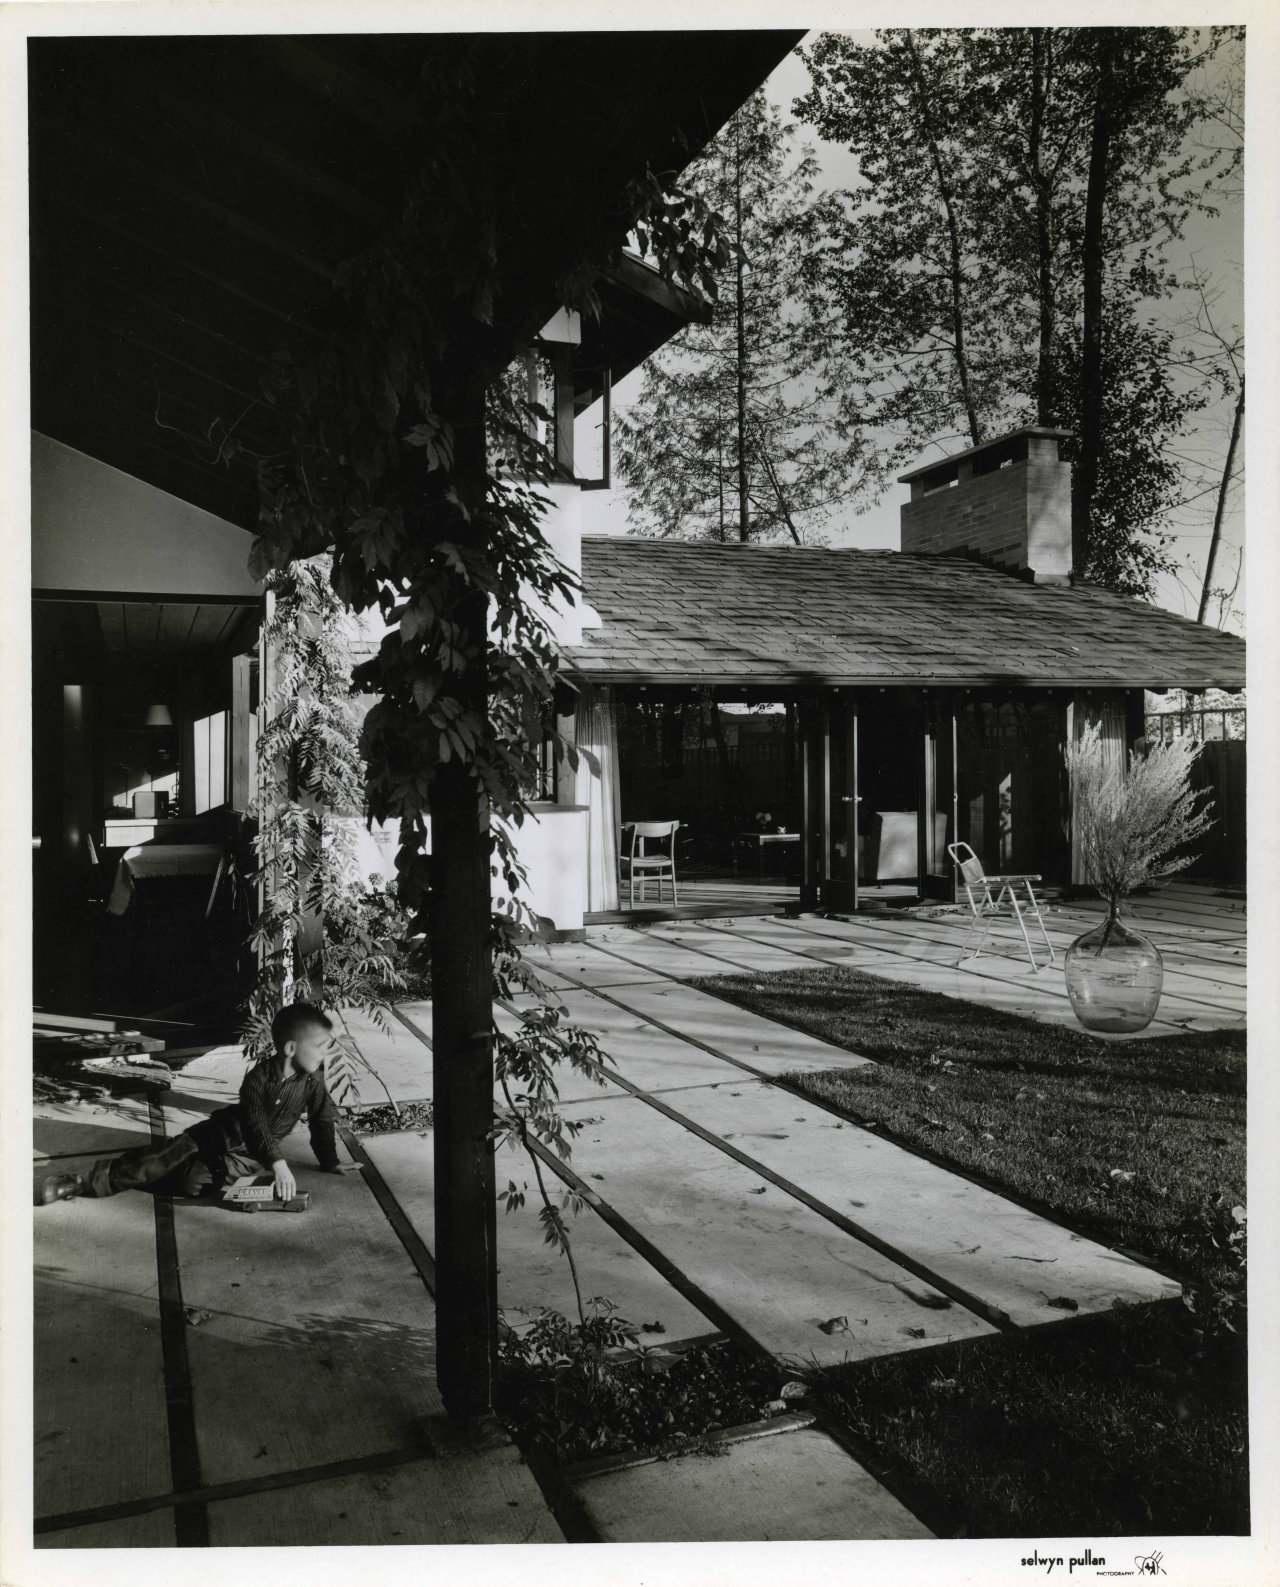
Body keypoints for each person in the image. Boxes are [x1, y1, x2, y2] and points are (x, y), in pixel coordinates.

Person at [41, 1002, 361, 1205]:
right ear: (291, 1048)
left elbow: (321, 1119)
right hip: (216, 1135)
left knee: (193, 1185)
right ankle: (85, 1181)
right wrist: (279, 1164)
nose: (325, 1053)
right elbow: (255, 1125)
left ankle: (148, 1174)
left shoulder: (313, 1081)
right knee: (162, 1159)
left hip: (247, 1158)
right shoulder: (259, 1079)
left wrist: (330, 1161)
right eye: (320, 1046)